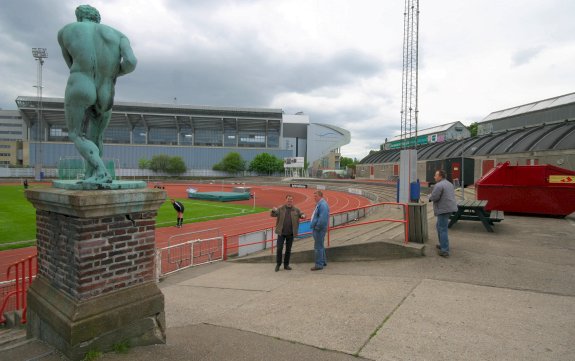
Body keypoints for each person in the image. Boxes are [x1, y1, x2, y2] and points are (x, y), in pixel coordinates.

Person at [58, 5, 137, 186]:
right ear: (97, 18)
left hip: (81, 82)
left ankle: (100, 171)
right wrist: (112, 73)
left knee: (76, 134)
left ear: (79, 17)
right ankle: (90, 175)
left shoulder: (65, 31)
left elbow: (70, 63)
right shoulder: (119, 35)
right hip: (106, 88)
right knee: (97, 137)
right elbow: (131, 62)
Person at [271, 194, 305, 272]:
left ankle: (286, 265)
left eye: (291, 199)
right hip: (281, 233)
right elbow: (273, 214)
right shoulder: (280, 208)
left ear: (292, 201)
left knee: (288, 250)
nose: (289, 201)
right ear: (286, 200)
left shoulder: (296, 209)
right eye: (288, 199)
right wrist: (273, 210)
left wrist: (303, 215)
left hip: (291, 233)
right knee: (279, 249)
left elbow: (302, 214)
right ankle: (278, 264)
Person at [428, 169, 458, 257]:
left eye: (435, 175)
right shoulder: (449, 183)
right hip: (449, 208)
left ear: (440, 176)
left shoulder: (438, 185)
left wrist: (429, 196)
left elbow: (435, 197)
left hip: (443, 209)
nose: (434, 177)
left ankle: (445, 250)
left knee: (442, 229)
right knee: (439, 227)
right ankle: (442, 245)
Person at [310, 190, 329, 271]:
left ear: (320, 196)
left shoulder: (322, 205)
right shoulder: (320, 204)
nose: (314, 198)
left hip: (319, 230)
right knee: (320, 246)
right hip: (319, 229)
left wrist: (317, 227)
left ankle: (318, 264)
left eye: (316, 196)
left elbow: (323, 218)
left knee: (318, 247)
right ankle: (323, 262)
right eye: (314, 196)